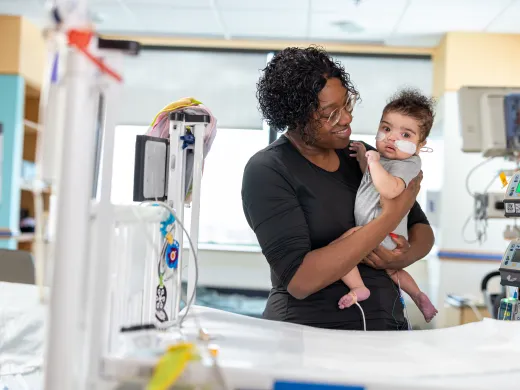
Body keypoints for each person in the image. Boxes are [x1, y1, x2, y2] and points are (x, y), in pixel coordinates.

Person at [241, 46, 434, 331]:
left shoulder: (364, 156)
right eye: (331, 114)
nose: (346, 119)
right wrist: (389, 219)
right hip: (307, 336)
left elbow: (421, 229)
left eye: (347, 105)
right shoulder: (268, 170)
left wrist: (402, 257)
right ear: (297, 116)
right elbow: (301, 281)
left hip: (386, 330)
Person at [337, 89, 438, 324]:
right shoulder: (387, 160)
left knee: (341, 250)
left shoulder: (408, 164)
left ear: (420, 145)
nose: (392, 137)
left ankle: (359, 287)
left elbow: (390, 189)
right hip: (386, 235)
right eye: (386, 129)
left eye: (405, 134)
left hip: (378, 231)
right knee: (393, 271)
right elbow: (371, 181)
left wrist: (372, 160)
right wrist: (365, 159)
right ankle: (418, 295)